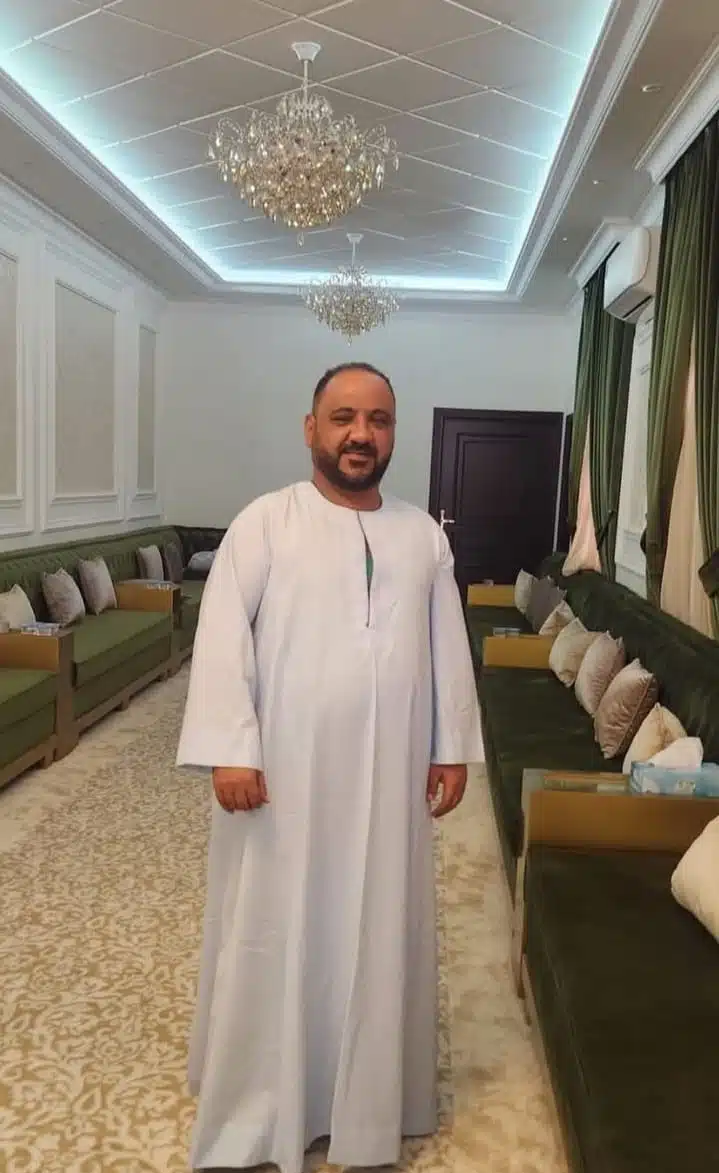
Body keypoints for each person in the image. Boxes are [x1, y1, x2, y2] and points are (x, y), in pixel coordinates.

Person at [176, 361, 483, 1173]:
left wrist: (449, 744)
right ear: (310, 428)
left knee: (379, 919)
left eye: (377, 420)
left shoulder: (422, 536)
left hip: (389, 781)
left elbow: (446, 646)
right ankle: (263, 1102)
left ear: (392, 434)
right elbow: (222, 637)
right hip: (282, 778)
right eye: (343, 417)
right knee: (274, 924)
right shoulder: (265, 522)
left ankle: (368, 1102)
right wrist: (232, 746)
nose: (360, 434)